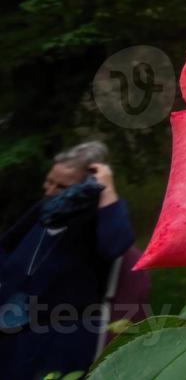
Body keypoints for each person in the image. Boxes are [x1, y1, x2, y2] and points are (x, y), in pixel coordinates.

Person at [0, 141, 136, 379]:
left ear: (90, 185)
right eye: (49, 181)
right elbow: (6, 245)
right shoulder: (46, 210)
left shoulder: (97, 221)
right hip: (13, 329)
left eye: (61, 186)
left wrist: (107, 189)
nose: (49, 190)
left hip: (59, 339)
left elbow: (117, 243)